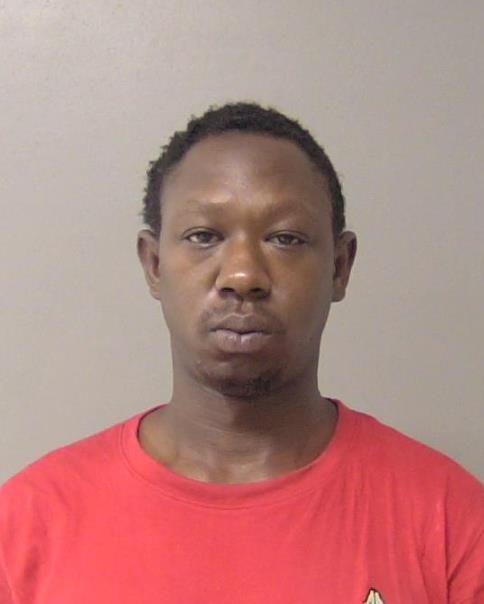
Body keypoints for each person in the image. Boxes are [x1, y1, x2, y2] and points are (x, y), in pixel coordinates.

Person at [0, 102, 482, 603]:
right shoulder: (27, 526)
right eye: (203, 236)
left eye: (285, 238)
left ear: (339, 267)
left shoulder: (451, 521)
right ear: (155, 264)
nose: (242, 275)